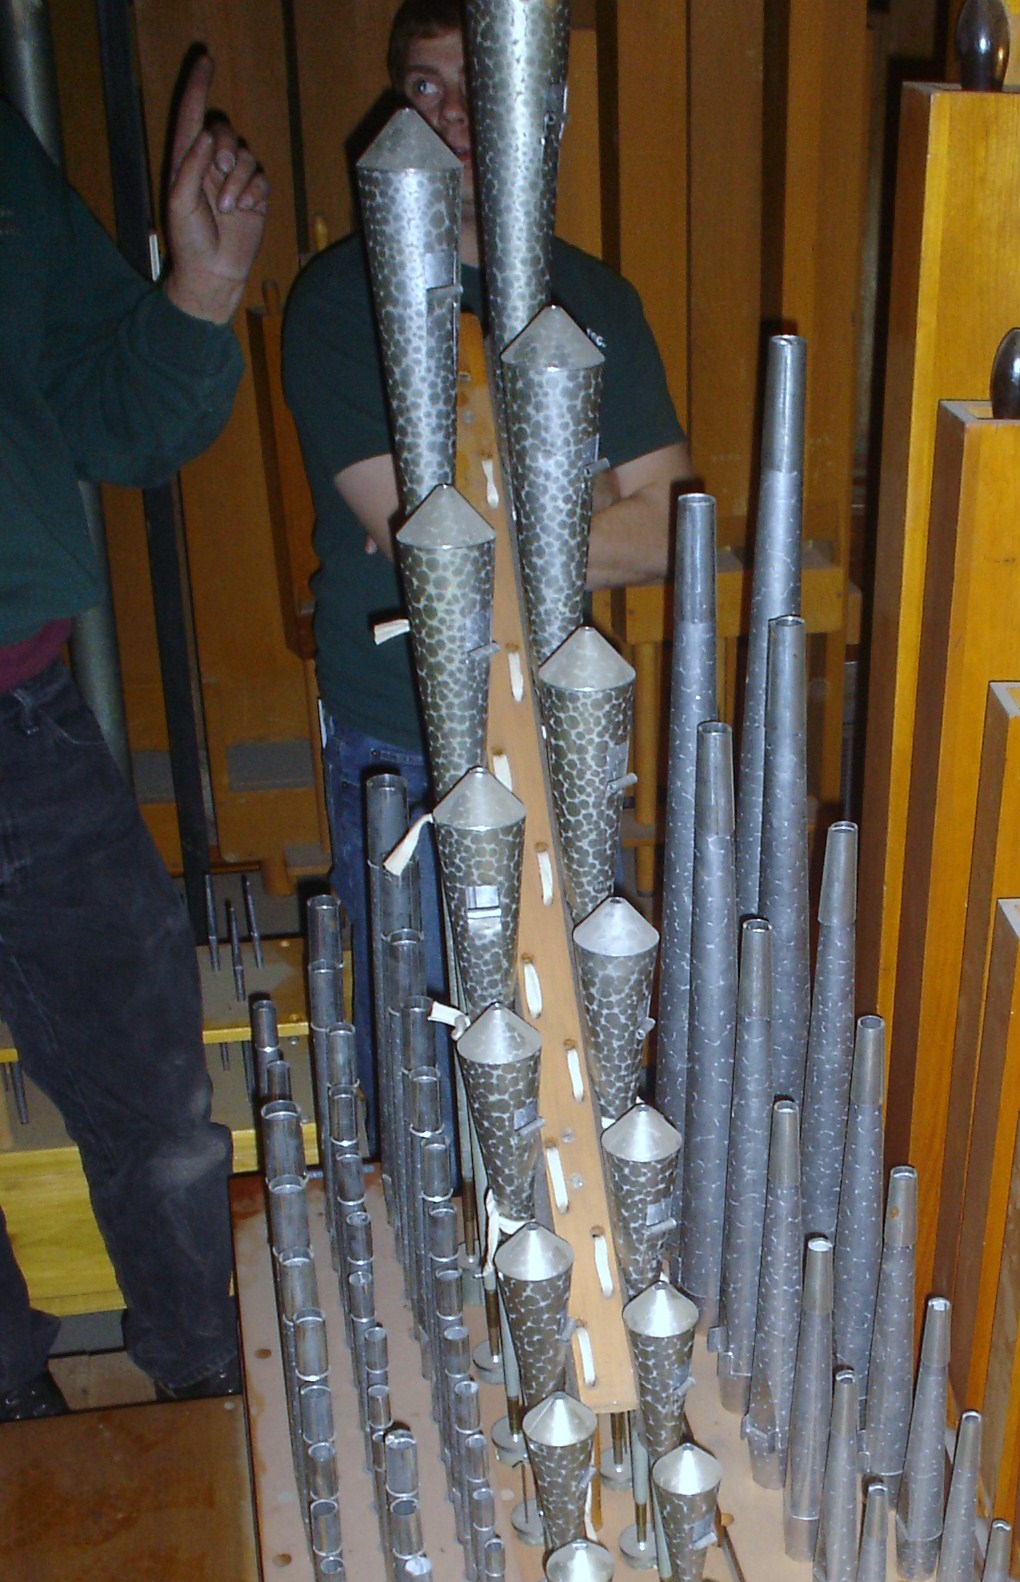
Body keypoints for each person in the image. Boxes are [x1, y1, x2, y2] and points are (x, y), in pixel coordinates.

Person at [282, 0, 691, 1122]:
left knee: (571, 1054)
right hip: (405, 734)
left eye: (480, 84)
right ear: (395, 107)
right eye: (428, 87)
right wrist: (584, 497)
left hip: (563, 731)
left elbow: (672, 528)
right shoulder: (339, 300)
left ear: (539, 107)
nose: (456, 113)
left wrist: (504, 509)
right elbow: (426, 541)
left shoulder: (596, 297)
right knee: (421, 1066)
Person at [0, 58, 268, 1420]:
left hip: (22, 719)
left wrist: (199, 293)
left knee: (156, 1097)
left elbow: (109, 411)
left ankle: (210, 1398)